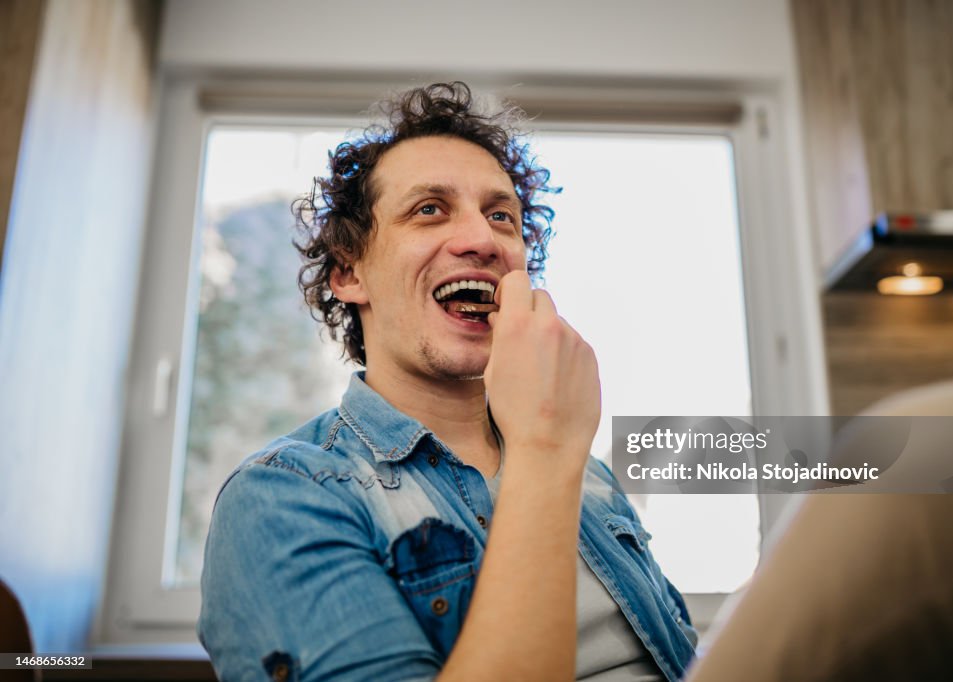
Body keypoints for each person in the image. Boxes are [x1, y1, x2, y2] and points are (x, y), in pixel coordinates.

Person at [198, 81, 698, 681]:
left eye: (501, 216)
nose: (483, 240)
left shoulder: (588, 476)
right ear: (349, 273)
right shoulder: (283, 496)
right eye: (428, 209)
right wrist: (545, 447)